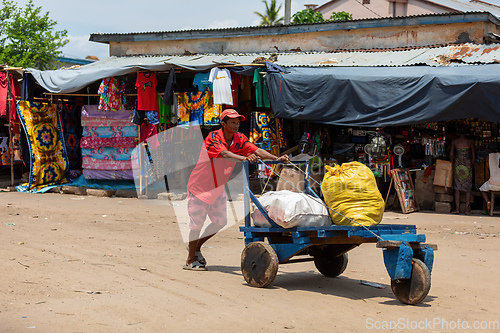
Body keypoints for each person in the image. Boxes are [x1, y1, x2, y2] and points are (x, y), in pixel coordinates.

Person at [184, 109, 290, 270]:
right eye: (232, 122)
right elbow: (224, 154)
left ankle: (196, 246)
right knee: (196, 225)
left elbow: (256, 151)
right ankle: (190, 260)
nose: (236, 124)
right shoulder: (213, 137)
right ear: (223, 123)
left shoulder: (240, 138)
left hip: (217, 187)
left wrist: (277, 158)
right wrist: (244, 158)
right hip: (200, 186)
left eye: (238, 122)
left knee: (220, 222)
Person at [450, 123, 475, 215]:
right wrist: (471, 165)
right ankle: (467, 210)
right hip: (467, 166)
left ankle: (457, 209)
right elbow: (473, 156)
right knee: (468, 188)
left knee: (457, 187)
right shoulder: (470, 142)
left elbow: (451, 154)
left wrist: (452, 162)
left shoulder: (454, 142)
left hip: (457, 166)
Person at [479, 143, 500, 215]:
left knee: (482, 189)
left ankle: (488, 201)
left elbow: (488, 167)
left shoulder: (488, 156)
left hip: (492, 184)